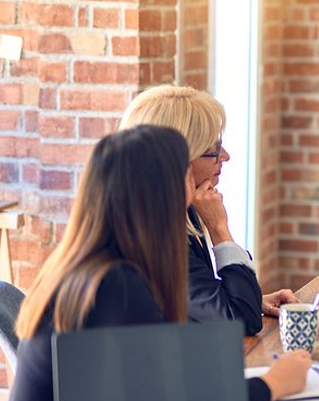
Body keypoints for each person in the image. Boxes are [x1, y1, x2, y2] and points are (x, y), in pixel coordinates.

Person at [0, 126, 311, 401]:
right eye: (188, 177)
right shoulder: (114, 283)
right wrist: (274, 383)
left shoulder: (94, 262)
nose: (197, 187)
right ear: (164, 193)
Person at [120, 85, 297, 335]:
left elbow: (200, 305)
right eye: (213, 150)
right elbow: (241, 322)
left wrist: (250, 300)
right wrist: (219, 229)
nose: (225, 156)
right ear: (178, 158)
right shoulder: (155, 235)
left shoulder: (180, 211)